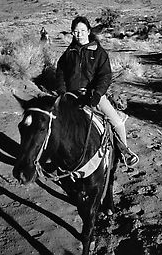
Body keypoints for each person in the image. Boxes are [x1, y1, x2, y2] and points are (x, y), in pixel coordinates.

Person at [56, 15, 139, 167]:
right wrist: (62, 92)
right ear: (72, 33)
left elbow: (105, 75)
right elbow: (60, 71)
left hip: (93, 95)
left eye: (82, 30)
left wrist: (97, 93)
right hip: (72, 96)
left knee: (118, 124)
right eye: (75, 31)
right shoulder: (69, 53)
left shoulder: (99, 53)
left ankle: (124, 152)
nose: (79, 34)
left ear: (88, 31)